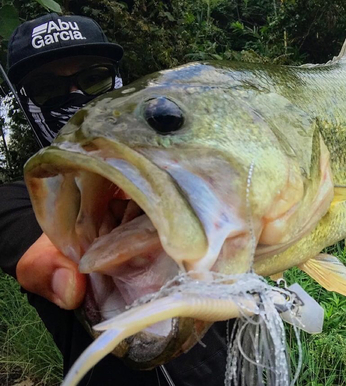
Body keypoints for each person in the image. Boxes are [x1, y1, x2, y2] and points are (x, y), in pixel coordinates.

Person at [0, 13, 229, 386]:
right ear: (25, 101)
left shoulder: (191, 165)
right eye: (47, 88)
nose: (75, 98)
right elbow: (55, 260)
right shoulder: (13, 200)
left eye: (94, 78)